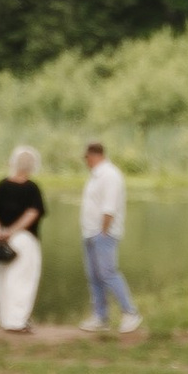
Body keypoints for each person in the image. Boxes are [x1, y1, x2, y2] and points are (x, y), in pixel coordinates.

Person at [78, 139, 142, 337]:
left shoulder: (109, 175)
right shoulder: (95, 176)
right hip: (90, 233)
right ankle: (101, 317)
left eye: (86, 157)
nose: (85, 161)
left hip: (102, 234)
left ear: (93, 155)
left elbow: (109, 207)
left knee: (108, 274)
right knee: (95, 277)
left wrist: (103, 232)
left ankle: (130, 312)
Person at [0, 144, 43, 333]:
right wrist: (13, 231)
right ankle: (18, 321)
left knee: (3, 279)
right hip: (23, 239)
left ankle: (5, 319)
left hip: (1, 240)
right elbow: (32, 213)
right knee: (23, 280)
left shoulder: (2, 185)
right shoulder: (32, 188)